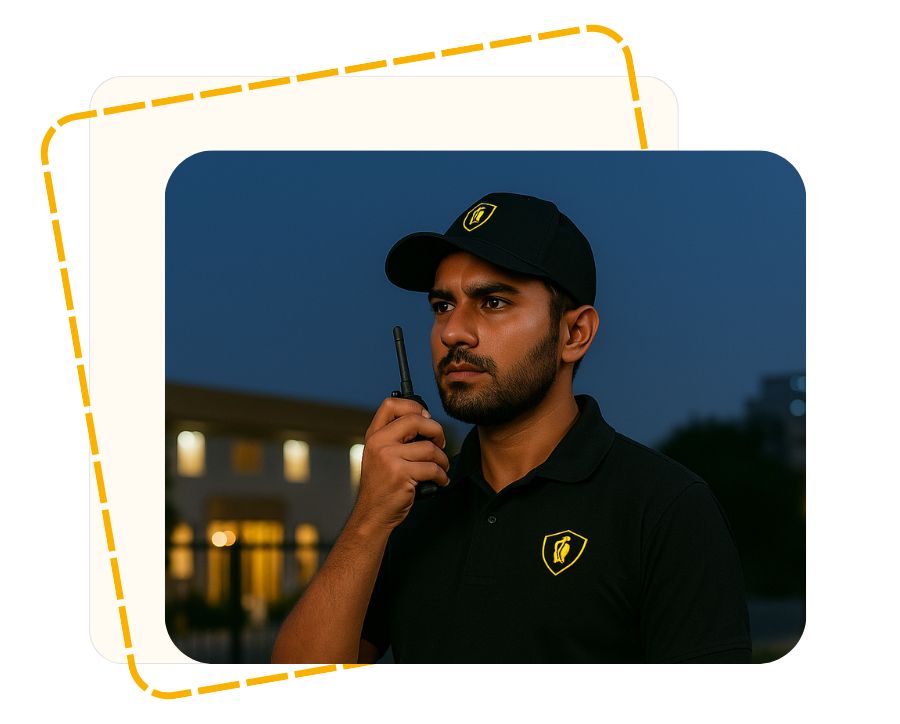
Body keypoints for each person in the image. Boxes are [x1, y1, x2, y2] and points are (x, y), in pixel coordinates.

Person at [272, 192, 752, 664]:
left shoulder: (665, 508)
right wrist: (369, 519)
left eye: (494, 302)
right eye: (442, 305)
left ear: (573, 334)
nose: (453, 331)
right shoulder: (410, 509)